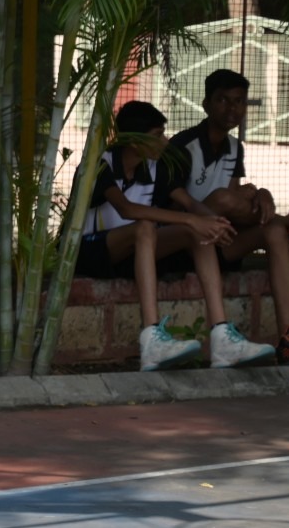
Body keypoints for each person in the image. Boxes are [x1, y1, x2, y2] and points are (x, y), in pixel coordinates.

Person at [73, 100, 274, 371]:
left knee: (194, 232)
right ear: (134, 140)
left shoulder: (155, 167)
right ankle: (151, 340)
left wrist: (214, 223)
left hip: (134, 253)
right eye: (158, 135)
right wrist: (190, 219)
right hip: (89, 252)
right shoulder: (100, 164)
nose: (165, 142)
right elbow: (127, 209)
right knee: (146, 226)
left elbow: (189, 203)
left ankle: (222, 338)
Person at [165, 69, 289, 364]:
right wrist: (249, 198)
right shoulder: (183, 145)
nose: (232, 109)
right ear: (206, 104)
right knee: (223, 198)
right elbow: (175, 206)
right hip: (183, 243)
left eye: (239, 101)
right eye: (223, 100)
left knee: (274, 233)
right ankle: (286, 220)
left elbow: (235, 207)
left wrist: (261, 193)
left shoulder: (234, 147)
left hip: (221, 240)